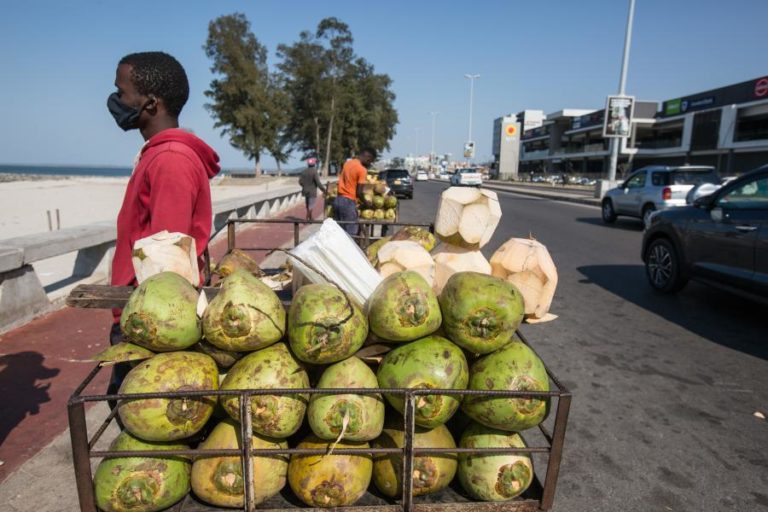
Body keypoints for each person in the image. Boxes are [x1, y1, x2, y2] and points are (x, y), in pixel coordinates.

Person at [106, 51, 220, 396]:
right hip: (142, 311)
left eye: (122, 93)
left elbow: (165, 261)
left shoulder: (170, 159)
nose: (116, 100)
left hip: (152, 319)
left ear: (150, 103)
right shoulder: (159, 153)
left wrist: (150, 329)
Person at [334, 148, 376, 236]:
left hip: (338, 200)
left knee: (339, 231)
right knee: (351, 232)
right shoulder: (362, 170)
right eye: (370, 162)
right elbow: (359, 192)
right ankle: (348, 249)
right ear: (368, 158)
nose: (369, 164)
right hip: (348, 202)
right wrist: (367, 203)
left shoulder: (347, 163)